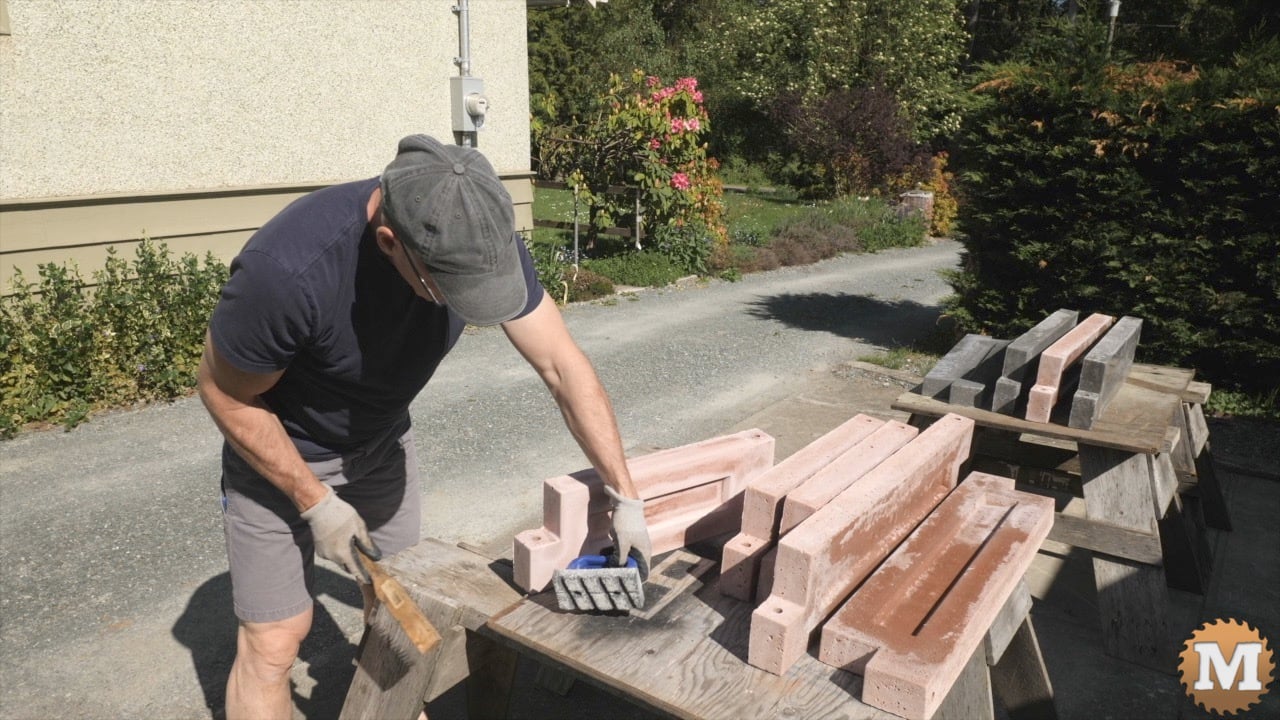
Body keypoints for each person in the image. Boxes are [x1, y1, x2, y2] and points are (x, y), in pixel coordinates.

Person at [197, 134, 652, 720]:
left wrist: (625, 495)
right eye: (450, 291)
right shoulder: (288, 271)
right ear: (391, 242)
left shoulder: (475, 232)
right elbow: (223, 393)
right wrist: (315, 502)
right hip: (280, 455)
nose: (460, 303)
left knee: (399, 605)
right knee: (275, 642)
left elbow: (562, 366)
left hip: (381, 444)